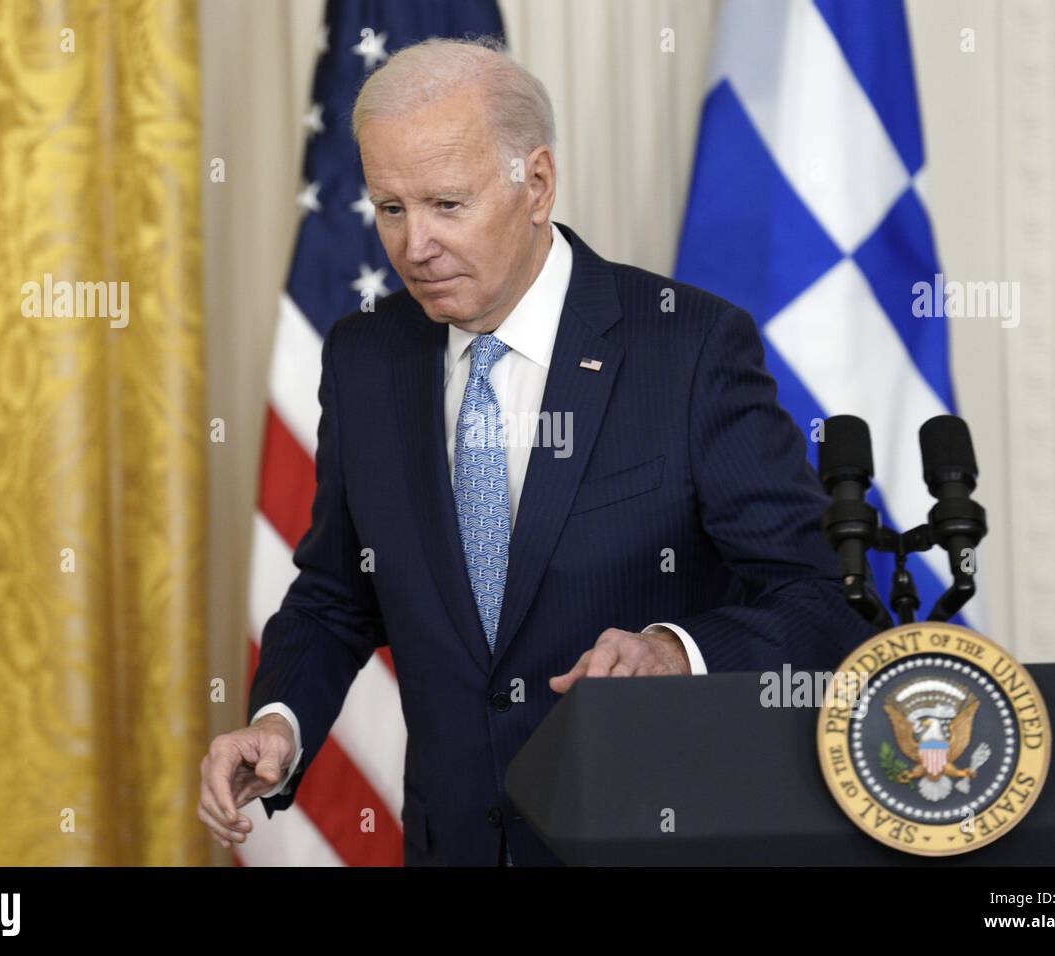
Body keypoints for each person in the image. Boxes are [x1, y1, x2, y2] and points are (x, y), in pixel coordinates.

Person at [198, 37, 878, 867]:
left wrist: (674, 652)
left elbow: (815, 605)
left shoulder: (687, 348)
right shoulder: (364, 359)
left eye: (448, 205)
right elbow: (338, 594)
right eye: (390, 209)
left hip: (652, 842)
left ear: (537, 185)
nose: (414, 247)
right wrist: (281, 721)